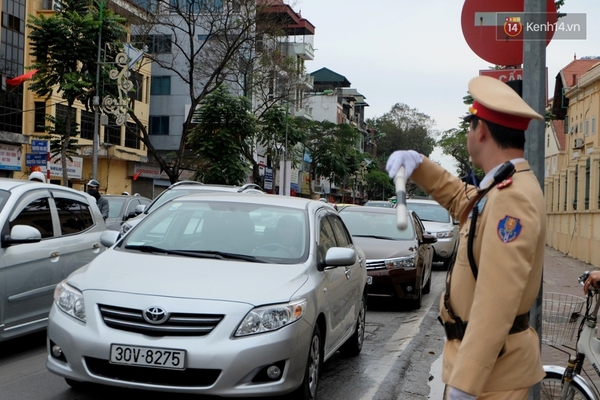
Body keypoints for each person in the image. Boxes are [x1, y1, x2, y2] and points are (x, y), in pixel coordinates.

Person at [386, 76, 546, 400]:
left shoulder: (511, 198)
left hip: (490, 377)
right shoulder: (504, 186)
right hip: (489, 370)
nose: (469, 133)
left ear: (482, 130)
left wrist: (465, 385)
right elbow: (466, 201)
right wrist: (419, 165)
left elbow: (496, 302)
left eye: (471, 125)